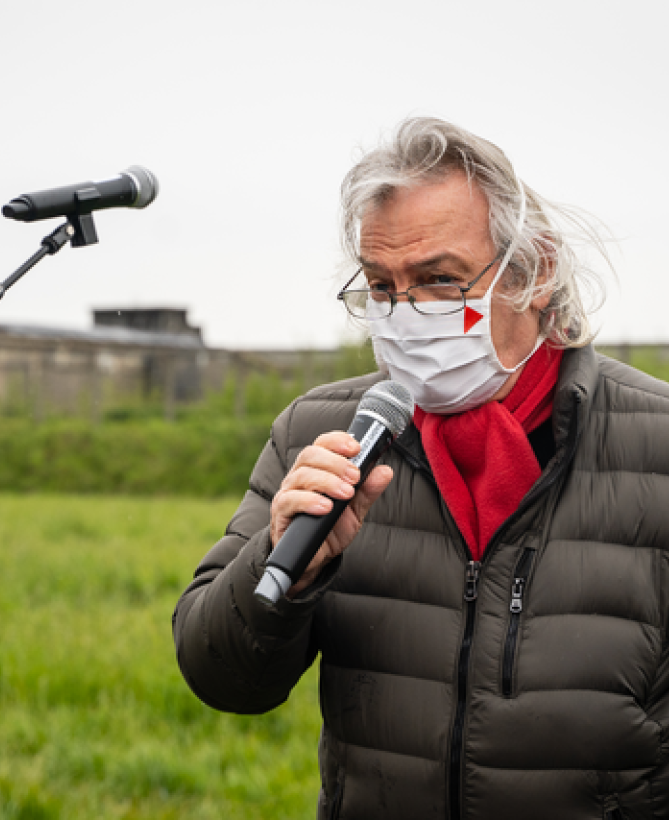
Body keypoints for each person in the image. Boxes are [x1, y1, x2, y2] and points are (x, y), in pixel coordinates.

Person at [173, 118, 669, 819]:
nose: (406, 316)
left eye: (440, 281)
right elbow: (221, 677)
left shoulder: (657, 445)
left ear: (534, 272)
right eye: (382, 287)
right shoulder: (323, 433)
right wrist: (284, 571)